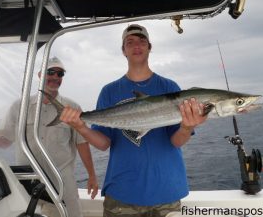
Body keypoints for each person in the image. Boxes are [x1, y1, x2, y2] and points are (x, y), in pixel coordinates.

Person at [59, 24, 207, 217]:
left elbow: (176, 141)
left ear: (149, 47)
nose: (136, 46)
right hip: (123, 192)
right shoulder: (109, 91)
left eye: (142, 41)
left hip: (166, 191)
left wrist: (187, 128)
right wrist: (80, 126)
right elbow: (104, 143)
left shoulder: (170, 87)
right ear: (123, 50)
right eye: (130, 42)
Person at [0, 57, 98, 217]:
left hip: (62, 181)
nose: (56, 77)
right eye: (51, 72)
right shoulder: (19, 106)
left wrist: (92, 176)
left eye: (60, 74)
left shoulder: (73, 107)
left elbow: (82, 143)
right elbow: (4, 140)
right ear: (40, 74)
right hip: (30, 181)